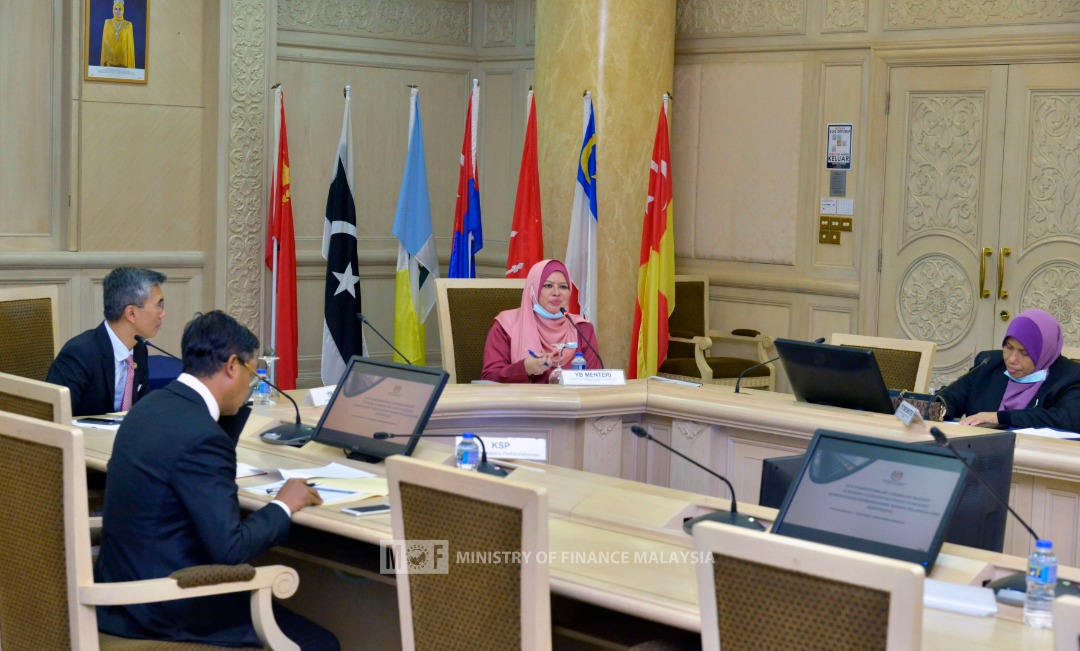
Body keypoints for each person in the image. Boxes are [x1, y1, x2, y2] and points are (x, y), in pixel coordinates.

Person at [95, 311, 340, 649]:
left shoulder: (149, 406)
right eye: (253, 373)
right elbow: (231, 548)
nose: (252, 384)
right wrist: (284, 504)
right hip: (165, 608)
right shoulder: (202, 437)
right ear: (232, 366)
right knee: (320, 643)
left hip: (117, 597)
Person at [47, 267, 165, 416]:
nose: (162, 314)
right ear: (131, 313)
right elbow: (55, 417)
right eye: (159, 305)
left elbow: (142, 410)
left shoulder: (139, 349)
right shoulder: (79, 354)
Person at [937, 308, 1080, 432]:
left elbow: (1070, 419)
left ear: (1044, 353)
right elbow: (950, 397)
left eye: (1024, 353)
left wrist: (1000, 417)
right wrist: (935, 407)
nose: (1012, 359)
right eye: (1009, 347)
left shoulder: (1070, 376)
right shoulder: (989, 363)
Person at [482, 259, 601, 383]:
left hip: (571, 396)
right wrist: (525, 368)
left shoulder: (582, 328)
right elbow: (489, 378)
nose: (556, 293)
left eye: (563, 287)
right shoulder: (506, 325)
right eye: (548, 285)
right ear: (533, 290)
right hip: (522, 396)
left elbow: (595, 380)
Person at [100, 0, 135, 68]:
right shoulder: (107, 23)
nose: (117, 11)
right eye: (115, 9)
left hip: (123, 63)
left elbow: (130, 46)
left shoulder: (128, 25)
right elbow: (105, 43)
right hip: (110, 61)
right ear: (113, 10)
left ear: (123, 10)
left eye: (119, 9)